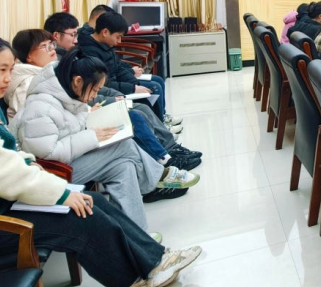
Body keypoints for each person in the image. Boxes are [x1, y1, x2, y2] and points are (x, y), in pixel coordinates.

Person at [0, 34, 202, 287]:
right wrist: (61, 193)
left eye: (11, 69)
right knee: (78, 216)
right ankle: (141, 273)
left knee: (94, 200)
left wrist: (38, 171)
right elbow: (6, 175)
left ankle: (150, 265)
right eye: (1, 70)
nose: (8, 78)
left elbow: (11, 154)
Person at [11, 51, 199, 227]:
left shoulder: (67, 92)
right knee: (123, 145)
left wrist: (90, 117)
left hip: (71, 161)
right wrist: (91, 137)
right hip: (52, 173)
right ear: (77, 81)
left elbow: (69, 126)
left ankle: (134, 236)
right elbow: (47, 153)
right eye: (95, 90)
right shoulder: (41, 107)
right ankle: (159, 176)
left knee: (124, 167)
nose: (95, 95)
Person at [46, 12, 199, 164]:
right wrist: (122, 94)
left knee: (144, 103)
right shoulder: (60, 65)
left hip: (95, 103)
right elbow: (88, 91)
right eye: (72, 35)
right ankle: (165, 156)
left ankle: (168, 149)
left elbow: (102, 80)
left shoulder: (71, 56)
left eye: (76, 34)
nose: (76, 39)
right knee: (138, 111)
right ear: (56, 36)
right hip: (88, 113)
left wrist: (130, 84)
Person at [79, 12, 171, 121]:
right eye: (118, 37)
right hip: (112, 89)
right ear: (105, 32)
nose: (119, 41)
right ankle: (160, 122)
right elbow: (105, 84)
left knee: (158, 81)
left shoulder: (104, 44)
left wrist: (134, 82)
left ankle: (162, 119)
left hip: (118, 83)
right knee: (155, 88)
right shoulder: (90, 53)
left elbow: (117, 66)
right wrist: (133, 88)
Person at [6, 29, 57, 121]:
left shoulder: (46, 75)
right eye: (44, 46)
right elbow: (28, 120)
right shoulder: (26, 83)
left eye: (51, 43)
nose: (52, 48)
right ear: (29, 56)